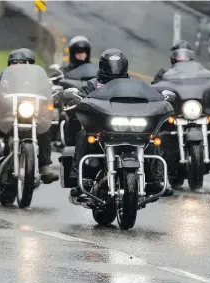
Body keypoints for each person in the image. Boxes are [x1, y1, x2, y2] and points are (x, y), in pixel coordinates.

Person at [69, 48, 172, 198]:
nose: (114, 70)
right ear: (103, 66)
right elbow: (80, 97)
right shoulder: (93, 84)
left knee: (152, 138)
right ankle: (81, 179)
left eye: (118, 66)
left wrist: (160, 99)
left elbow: (150, 96)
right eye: (111, 66)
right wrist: (76, 99)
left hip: (131, 128)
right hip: (104, 128)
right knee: (84, 135)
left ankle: (157, 179)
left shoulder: (134, 86)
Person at [0, 48, 59, 184]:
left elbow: (49, 89)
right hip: (6, 113)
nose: (19, 65)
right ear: (10, 64)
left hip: (32, 113)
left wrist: (54, 94)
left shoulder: (38, 78)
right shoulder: (2, 76)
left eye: (23, 62)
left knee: (44, 128)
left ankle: (45, 167)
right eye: (15, 62)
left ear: (30, 64)